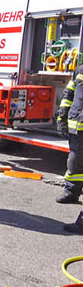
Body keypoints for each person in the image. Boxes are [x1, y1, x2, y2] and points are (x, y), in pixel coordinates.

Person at [57, 65, 83, 203]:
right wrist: (62, 116)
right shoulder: (80, 71)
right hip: (77, 125)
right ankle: (71, 192)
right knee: (74, 161)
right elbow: (68, 94)